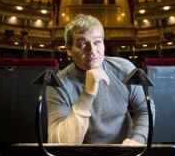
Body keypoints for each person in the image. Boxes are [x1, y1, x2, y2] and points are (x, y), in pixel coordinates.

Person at [46, 14, 155, 144]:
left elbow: (145, 109)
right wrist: (87, 94)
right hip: (82, 155)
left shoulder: (124, 68)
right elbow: (58, 143)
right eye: (82, 43)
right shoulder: (58, 84)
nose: (92, 50)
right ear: (69, 49)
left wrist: (138, 140)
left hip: (125, 151)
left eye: (97, 42)